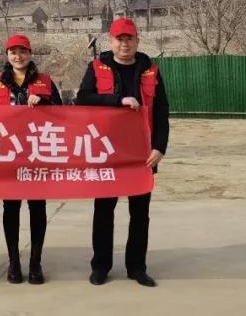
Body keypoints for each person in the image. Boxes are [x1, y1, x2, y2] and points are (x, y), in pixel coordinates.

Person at [76, 17, 169, 288]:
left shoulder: (151, 71)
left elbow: (162, 112)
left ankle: (137, 267)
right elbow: (83, 98)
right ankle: (101, 266)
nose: (124, 43)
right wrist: (118, 100)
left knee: (140, 213)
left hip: (142, 154)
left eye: (129, 38)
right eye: (119, 38)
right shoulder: (97, 67)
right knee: (104, 211)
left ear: (137, 41)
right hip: (107, 152)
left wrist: (160, 147)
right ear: (111, 42)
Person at [0, 34, 63, 286]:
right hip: (8, 157)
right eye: (13, 52)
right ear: (7, 55)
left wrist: (45, 101)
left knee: (38, 208)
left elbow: (64, 115)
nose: (18, 56)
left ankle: (35, 263)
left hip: (37, 155)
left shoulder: (46, 82)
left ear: (30, 54)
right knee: (11, 209)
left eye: (23, 51)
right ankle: (14, 262)